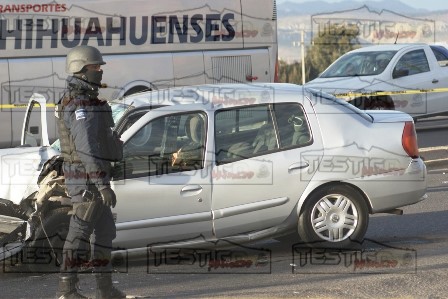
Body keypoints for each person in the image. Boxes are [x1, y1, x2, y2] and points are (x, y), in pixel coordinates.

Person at [55, 45, 125, 299]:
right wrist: (102, 184)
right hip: (85, 181)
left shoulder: (88, 98)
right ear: (81, 69)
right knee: (79, 233)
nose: (100, 70)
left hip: (95, 179)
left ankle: (105, 290)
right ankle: (66, 291)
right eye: (96, 66)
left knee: (106, 232)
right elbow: (86, 149)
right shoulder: (78, 103)